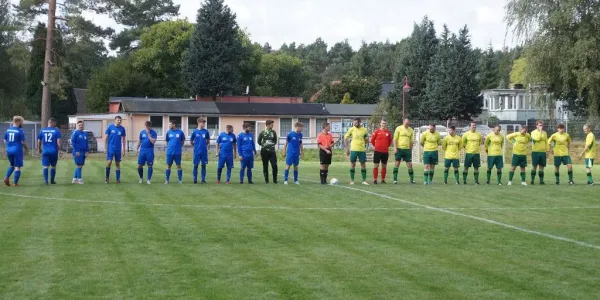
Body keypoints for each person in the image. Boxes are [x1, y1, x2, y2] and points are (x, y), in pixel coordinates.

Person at [3, 116, 27, 187]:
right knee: (17, 167)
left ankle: (6, 178)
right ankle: (15, 183)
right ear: (18, 122)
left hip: (9, 150)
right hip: (17, 150)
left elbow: (4, 140)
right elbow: (23, 142)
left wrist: (10, 145)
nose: (21, 124)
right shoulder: (20, 131)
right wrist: (26, 148)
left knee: (12, 165)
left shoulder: (8, 130)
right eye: (21, 122)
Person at [37, 117, 62, 185]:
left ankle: (46, 181)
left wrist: (39, 148)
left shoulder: (42, 130)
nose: (55, 124)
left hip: (45, 151)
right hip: (54, 151)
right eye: (55, 123)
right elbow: (58, 141)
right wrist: (60, 150)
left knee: (45, 166)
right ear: (52, 122)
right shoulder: (56, 130)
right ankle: (52, 180)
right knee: (53, 166)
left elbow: (39, 140)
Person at [344, 118, 369, 185]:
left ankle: (364, 180)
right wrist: (347, 148)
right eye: (354, 123)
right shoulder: (351, 129)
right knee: (353, 164)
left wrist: (365, 141)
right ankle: (352, 180)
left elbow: (367, 139)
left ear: (360, 122)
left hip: (362, 150)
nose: (354, 124)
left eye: (356, 123)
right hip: (353, 150)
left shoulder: (364, 130)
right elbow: (345, 138)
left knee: (363, 164)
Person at [104, 116, 126, 183]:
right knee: (109, 162)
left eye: (120, 120)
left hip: (118, 148)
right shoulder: (110, 127)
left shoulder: (122, 129)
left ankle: (118, 179)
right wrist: (105, 148)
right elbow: (105, 138)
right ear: (115, 120)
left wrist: (124, 149)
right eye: (118, 120)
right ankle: (107, 178)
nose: (119, 121)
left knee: (117, 163)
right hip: (110, 148)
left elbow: (123, 139)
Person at [393, 119, 415, 184]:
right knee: (397, 163)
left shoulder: (411, 130)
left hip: (407, 150)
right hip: (399, 149)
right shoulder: (398, 128)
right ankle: (395, 180)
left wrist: (410, 150)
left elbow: (411, 141)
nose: (407, 125)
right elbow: (395, 139)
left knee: (410, 165)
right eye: (406, 123)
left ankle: (411, 180)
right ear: (403, 123)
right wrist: (395, 148)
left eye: (408, 123)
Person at [370, 119, 393, 184]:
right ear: (380, 124)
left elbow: (390, 141)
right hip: (377, 151)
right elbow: (372, 140)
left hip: (385, 152)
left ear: (386, 124)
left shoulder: (388, 132)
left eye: (385, 123)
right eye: (382, 123)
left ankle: (383, 179)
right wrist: (376, 146)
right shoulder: (376, 132)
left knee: (384, 166)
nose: (383, 124)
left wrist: (385, 147)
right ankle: (375, 179)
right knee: (376, 165)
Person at [190, 118, 210, 184]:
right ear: (198, 123)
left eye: (204, 123)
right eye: (203, 123)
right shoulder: (194, 131)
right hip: (197, 151)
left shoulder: (206, 131)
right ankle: (195, 179)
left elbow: (208, 141)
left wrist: (204, 145)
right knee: (196, 165)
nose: (204, 124)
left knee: (203, 165)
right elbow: (191, 141)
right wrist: (196, 146)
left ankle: (203, 180)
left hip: (204, 152)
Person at [530, 120, 548, 185]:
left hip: (542, 152)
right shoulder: (533, 132)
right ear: (536, 126)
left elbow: (546, 142)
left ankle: (541, 181)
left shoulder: (545, 133)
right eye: (540, 125)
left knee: (541, 167)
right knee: (534, 166)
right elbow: (537, 139)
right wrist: (540, 131)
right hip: (535, 152)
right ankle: (532, 180)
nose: (541, 127)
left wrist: (547, 151)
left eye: (542, 125)